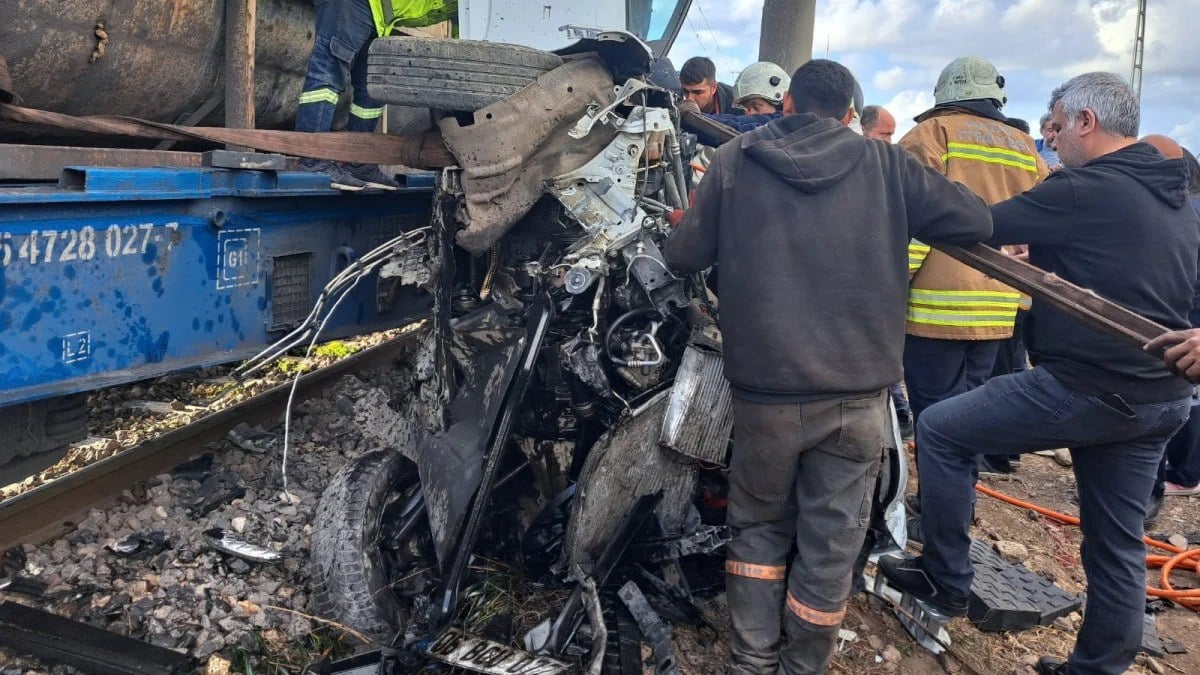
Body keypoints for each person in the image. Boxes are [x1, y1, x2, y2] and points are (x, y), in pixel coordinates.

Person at [663, 58, 993, 674]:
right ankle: (804, 666)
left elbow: (684, 256)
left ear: (786, 103)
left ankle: (751, 661)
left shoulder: (736, 160)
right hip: (859, 396)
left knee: (758, 526)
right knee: (832, 542)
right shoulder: (887, 164)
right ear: (849, 116)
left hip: (765, 393)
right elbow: (975, 220)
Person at [880, 72, 1199, 675]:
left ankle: (944, 578)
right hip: (1161, 399)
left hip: (1089, 386)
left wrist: (896, 182)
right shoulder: (1174, 199)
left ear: (1086, 122)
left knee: (944, 431)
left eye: (1055, 127)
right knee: (1117, 546)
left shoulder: (1085, 187)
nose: (1051, 141)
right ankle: (1096, 669)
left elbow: (979, 223)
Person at [899, 56, 1048, 478]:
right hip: (997, 307)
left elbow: (911, 223)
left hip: (934, 308)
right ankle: (961, 504)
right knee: (971, 413)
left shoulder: (930, 134)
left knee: (934, 416)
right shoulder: (1025, 145)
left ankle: (940, 513)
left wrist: (892, 284)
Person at [294, 0, 455, 191]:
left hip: (380, 14)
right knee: (327, 73)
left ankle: (359, 162)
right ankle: (312, 159)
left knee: (372, 89)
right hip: (356, 4)